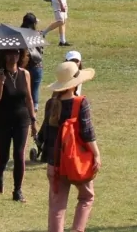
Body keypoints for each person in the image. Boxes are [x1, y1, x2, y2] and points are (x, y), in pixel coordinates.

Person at [43, 61, 101, 232]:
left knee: (57, 207)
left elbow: (46, 135)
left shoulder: (50, 103)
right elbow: (87, 133)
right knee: (86, 197)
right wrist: (96, 154)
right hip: (75, 162)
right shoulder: (80, 102)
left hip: (55, 162)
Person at [0, 48, 35, 202]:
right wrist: (0, 84)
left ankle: (17, 190)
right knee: (4, 156)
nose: (13, 56)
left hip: (22, 119)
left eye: (16, 52)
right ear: (3, 55)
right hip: (2, 118)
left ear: (20, 54)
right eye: (9, 53)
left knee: (19, 154)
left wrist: (33, 120)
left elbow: (29, 98)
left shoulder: (25, 73)